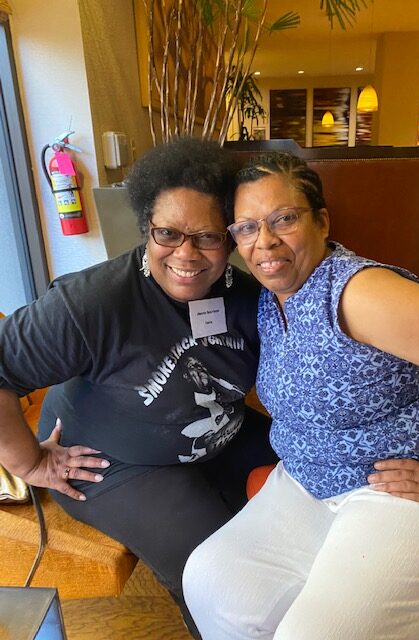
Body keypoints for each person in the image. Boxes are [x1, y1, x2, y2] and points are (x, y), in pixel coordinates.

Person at [183, 151, 419, 640]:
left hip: (410, 484)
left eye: (284, 219)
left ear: (321, 221)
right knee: (212, 582)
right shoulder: (268, 297)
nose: (266, 242)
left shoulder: (359, 293)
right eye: (247, 228)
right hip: (309, 483)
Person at [0, 137, 277, 636]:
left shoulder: (247, 296)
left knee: (320, 478)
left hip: (220, 433)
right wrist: (30, 462)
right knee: (218, 568)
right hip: (114, 462)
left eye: (208, 237)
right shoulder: (92, 303)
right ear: (146, 227)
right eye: (167, 233)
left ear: (230, 239)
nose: (186, 254)